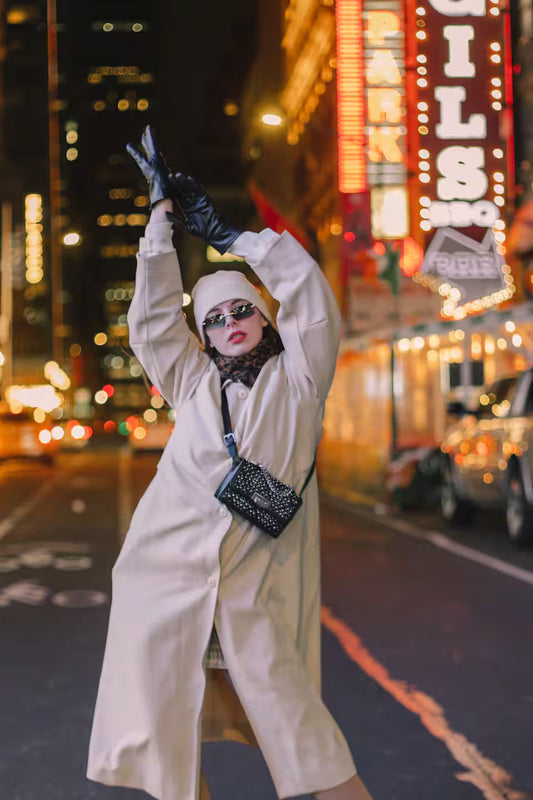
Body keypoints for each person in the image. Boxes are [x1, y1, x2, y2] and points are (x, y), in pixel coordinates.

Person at [87, 126, 374, 800]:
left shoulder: (301, 377)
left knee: (300, 731)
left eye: (242, 310)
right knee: (165, 733)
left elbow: (308, 291)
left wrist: (230, 237)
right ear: (204, 335)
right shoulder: (192, 382)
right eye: (213, 319)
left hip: (251, 590)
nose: (229, 324)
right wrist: (159, 226)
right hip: (165, 577)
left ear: (267, 318)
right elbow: (154, 324)